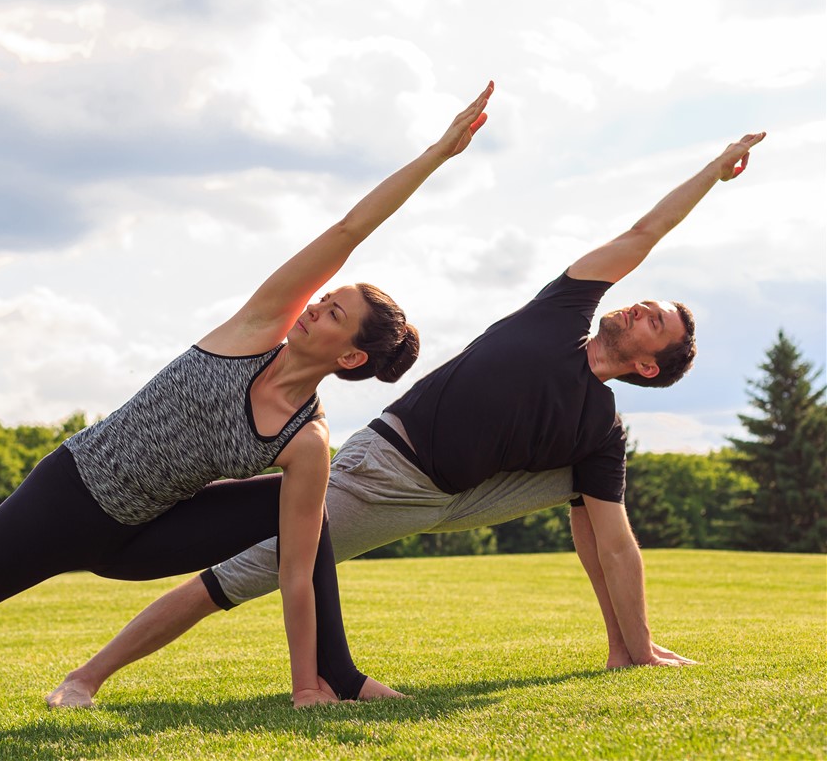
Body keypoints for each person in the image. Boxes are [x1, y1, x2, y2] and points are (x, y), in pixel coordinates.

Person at [0, 83, 499, 730]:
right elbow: (352, 224)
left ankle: (338, 680)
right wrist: (436, 152)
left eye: (334, 311)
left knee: (305, 524)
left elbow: (294, 573)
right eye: (325, 297)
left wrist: (302, 689)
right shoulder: (258, 325)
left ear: (351, 355)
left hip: (142, 536)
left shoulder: (306, 439)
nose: (318, 302)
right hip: (67, 493)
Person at [46, 130, 767, 707]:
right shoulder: (560, 313)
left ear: (650, 365)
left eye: (657, 321)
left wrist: (638, 639)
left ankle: (625, 647)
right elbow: (644, 232)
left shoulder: (601, 427)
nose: (642, 306)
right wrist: (710, 172)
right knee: (239, 576)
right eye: (648, 301)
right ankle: (87, 677)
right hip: (385, 473)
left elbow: (614, 545)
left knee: (595, 490)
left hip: (455, 496)